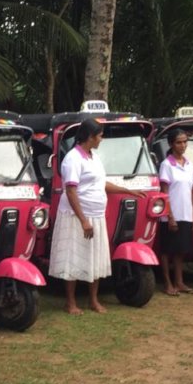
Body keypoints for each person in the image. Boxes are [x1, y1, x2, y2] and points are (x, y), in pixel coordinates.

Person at [49, 118, 146, 314]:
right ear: (90, 137)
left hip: (97, 215)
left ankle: (94, 300)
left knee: (95, 255)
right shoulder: (72, 159)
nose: (102, 139)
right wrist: (83, 219)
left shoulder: (94, 157)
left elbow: (102, 183)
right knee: (73, 256)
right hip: (76, 216)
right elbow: (71, 191)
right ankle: (70, 302)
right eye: (100, 136)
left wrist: (127, 190)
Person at [158, 129, 193, 295]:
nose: (183, 145)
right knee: (167, 250)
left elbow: (192, 192)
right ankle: (168, 283)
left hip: (186, 214)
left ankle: (180, 282)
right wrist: (170, 217)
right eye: (179, 142)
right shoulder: (166, 165)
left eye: (185, 142)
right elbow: (164, 193)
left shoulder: (189, 165)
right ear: (171, 144)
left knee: (181, 250)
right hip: (171, 215)